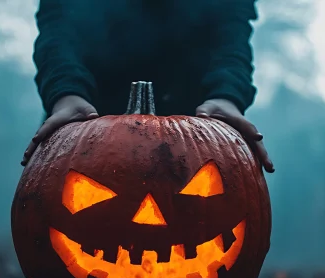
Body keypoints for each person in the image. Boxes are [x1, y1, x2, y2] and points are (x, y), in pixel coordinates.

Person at [21, 0, 274, 173]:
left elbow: (231, 35)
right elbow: (59, 28)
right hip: (85, 124)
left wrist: (227, 95)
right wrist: (65, 93)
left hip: (195, 130)